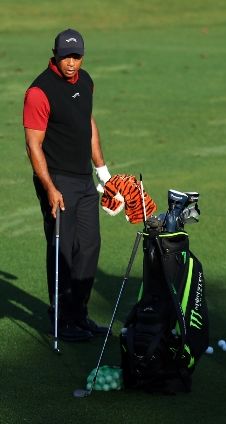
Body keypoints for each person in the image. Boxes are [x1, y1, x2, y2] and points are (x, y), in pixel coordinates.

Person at [23, 28, 112, 341]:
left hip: (84, 180)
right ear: (55, 55)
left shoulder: (85, 81)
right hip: (57, 179)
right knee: (63, 250)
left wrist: (103, 172)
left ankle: (79, 315)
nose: (71, 63)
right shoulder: (39, 92)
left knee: (89, 247)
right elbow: (33, 145)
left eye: (76, 56)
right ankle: (60, 319)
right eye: (65, 57)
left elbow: (88, 124)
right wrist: (49, 187)